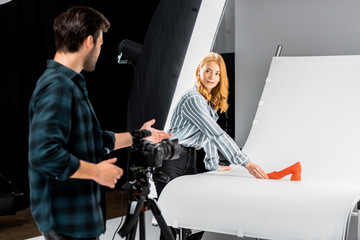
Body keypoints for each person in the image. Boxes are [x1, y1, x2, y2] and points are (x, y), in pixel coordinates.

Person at [28, 6, 171, 240]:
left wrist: (141, 135)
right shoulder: (57, 88)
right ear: (88, 41)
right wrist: (97, 172)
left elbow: (96, 141)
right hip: (66, 221)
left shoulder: (70, 84)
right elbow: (45, 155)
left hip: (78, 219)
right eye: (101, 43)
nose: (100, 49)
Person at [154, 52, 268, 240]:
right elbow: (215, 133)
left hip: (189, 160)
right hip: (170, 159)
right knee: (171, 225)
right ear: (199, 71)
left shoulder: (207, 101)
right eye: (208, 71)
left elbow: (208, 136)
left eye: (217, 74)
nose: (212, 77)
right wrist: (246, 163)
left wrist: (213, 163)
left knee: (193, 221)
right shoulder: (193, 99)